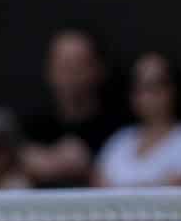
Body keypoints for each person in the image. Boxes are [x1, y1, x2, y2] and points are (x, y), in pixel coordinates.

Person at [20, 28, 123, 188]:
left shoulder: (121, 128)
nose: (69, 75)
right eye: (62, 65)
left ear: (98, 69)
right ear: (49, 70)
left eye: (78, 65)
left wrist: (89, 169)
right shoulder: (32, 126)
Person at [94, 51, 181, 187]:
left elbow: (176, 187)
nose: (147, 96)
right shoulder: (120, 139)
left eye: (156, 86)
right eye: (140, 87)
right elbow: (98, 186)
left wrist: (120, 190)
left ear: (174, 90)